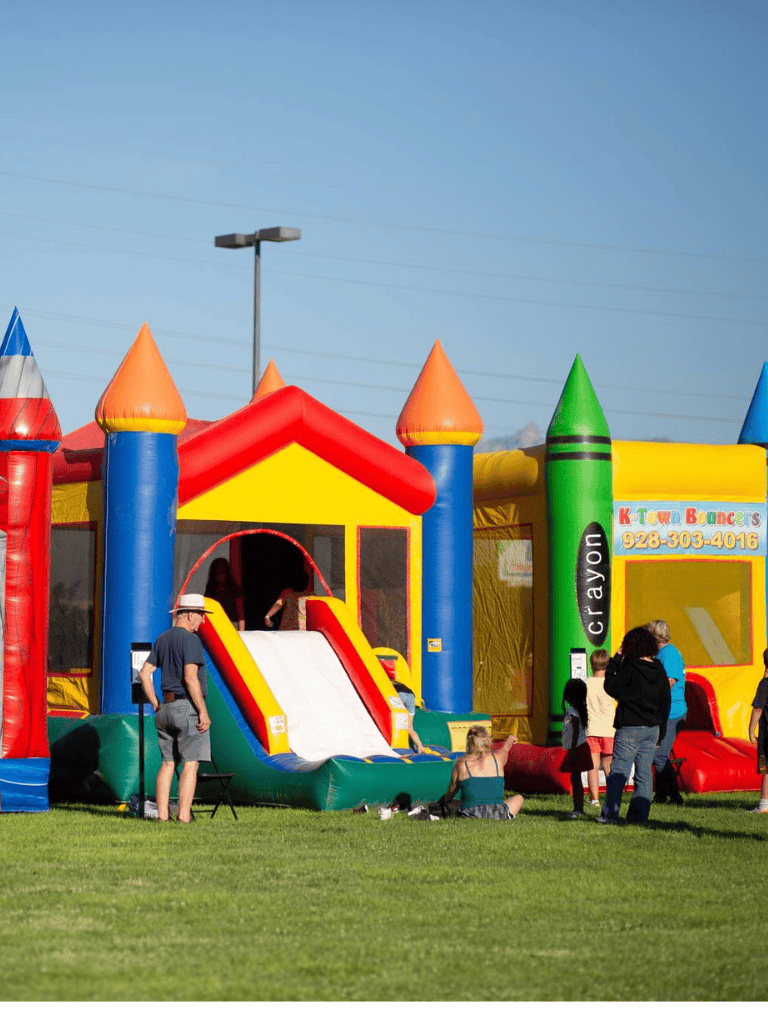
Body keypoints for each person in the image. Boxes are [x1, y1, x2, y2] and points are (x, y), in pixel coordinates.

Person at [138, 593, 213, 823]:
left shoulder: (162, 639)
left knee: (168, 763)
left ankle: (162, 817)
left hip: (165, 709)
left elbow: (144, 674)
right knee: (190, 763)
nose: (202, 620)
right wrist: (203, 711)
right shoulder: (191, 641)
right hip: (186, 708)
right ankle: (183, 817)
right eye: (200, 615)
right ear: (189, 615)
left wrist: (155, 704)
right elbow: (191, 678)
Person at [598, 626, 671, 826]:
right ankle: (639, 817)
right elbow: (665, 701)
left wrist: (615, 660)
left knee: (619, 773)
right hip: (652, 729)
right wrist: (661, 731)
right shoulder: (659, 669)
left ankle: (610, 815)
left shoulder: (629, 667)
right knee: (644, 774)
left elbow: (611, 687)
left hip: (630, 727)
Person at [443, 725, 524, 819]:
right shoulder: (497, 758)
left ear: (469, 743)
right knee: (519, 798)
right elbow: (505, 749)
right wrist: (510, 739)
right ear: (487, 741)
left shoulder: (461, 763)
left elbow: (451, 793)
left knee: (455, 803)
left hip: (470, 813)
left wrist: (444, 802)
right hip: (498, 812)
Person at [646, 619, 687, 805]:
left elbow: (669, 682)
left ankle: (674, 796)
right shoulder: (661, 654)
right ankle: (662, 795)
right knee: (658, 755)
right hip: (663, 712)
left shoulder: (669, 654)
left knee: (660, 756)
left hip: (672, 712)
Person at [585, 649, 616, 807]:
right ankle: (612, 797)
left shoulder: (585, 684)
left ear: (591, 665)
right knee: (608, 766)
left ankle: (594, 799)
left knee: (593, 767)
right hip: (609, 730)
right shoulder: (611, 683)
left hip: (591, 729)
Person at [562, 678, 589, 819]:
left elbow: (575, 731)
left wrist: (572, 750)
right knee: (576, 779)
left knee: (576, 779)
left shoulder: (572, 711)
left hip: (576, 748)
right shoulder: (580, 710)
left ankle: (578, 809)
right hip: (579, 747)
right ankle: (579, 808)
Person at [747, 648, 768, 814]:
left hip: (767, 736)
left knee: (766, 769)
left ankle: (764, 805)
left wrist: (751, 729)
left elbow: (758, 709)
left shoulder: (765, 685)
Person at [204, 557, 245, 630]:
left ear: (227, 573)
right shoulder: (210, 591)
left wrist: (242, 632)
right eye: (217, 573)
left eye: (222, 572)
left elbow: (240, 614)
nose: (220, 576)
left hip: (232, 625)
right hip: (215, 625)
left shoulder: (234, 589)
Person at [393, 680, 425, 754]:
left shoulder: (388, 683)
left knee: (395, 719)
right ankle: (420, 747)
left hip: (399, 694)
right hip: (411, 696)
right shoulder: (399, 682)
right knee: (410, 728)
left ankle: (397, 745)